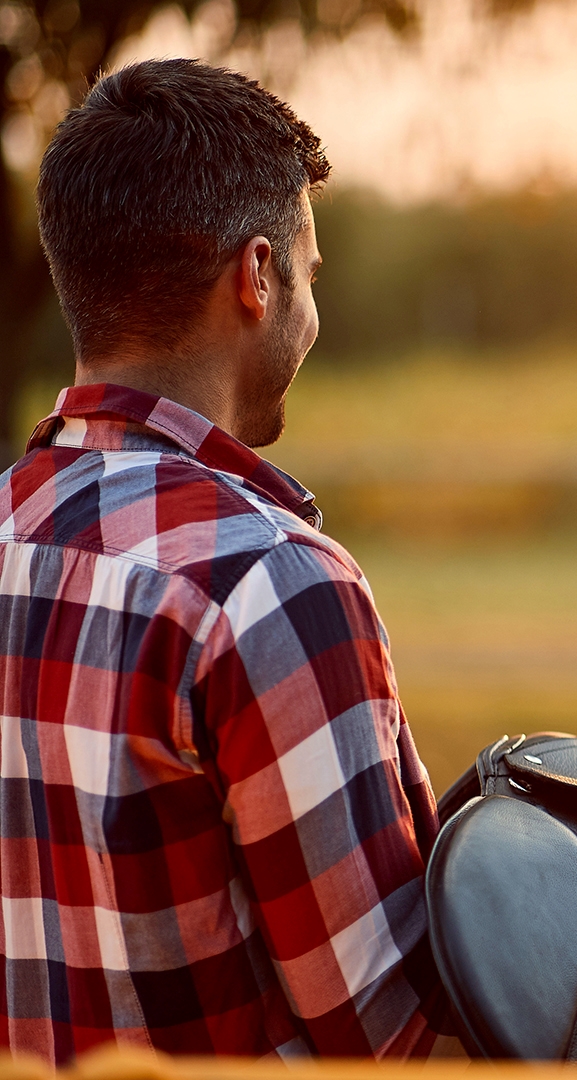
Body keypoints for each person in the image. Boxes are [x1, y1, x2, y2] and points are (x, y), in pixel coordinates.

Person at [0, 59, 450, 1061]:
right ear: (255, 278)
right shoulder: (268, 584)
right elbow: (389, 1037)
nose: (311, 312)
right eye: (310, 274)